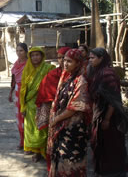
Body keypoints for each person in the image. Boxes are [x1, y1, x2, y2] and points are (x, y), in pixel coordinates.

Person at [47, 49, 91, 177]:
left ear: (78, 63)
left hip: (73, 128)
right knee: (60, 157)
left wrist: (57, 119)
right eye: (64, 60)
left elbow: (75, 106)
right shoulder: (66, 77)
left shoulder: (81, 81)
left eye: (69, 61)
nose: (65, 64)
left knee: (71, 161)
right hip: (62, 126)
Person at [88, 48, 128, 177]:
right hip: (98, 113)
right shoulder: (97, 72)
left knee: (111, 146)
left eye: (92, 58)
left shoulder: (108, 74)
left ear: (101, 58)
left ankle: (115, 172)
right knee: (100, 143)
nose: (90, 60)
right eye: (89, 58)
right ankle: (102, 170)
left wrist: (107, 119)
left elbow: (113, 99)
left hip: (110, 118)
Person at [34, 47, 70, 162]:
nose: (62, 61)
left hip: (70, 112)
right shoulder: (52, 74)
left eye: (65, 58)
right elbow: (44, 91)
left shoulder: (78, 76)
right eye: (59, 58)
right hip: (53, 110)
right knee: (49, 134)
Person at [20, 46, 55, 160]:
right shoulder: (27, 69)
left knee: (42, 129)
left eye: (37, 55)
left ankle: (44, 151)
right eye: (33, 55)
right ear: (30, 57)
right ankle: (36, 151)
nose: (35, 57)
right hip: (30, 104)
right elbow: (23, 89)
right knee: (31, 129)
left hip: (43, 104)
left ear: (42, 56)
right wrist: (23, 106)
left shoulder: (48, 68)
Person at [8, 43, 28, 150]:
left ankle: (28, 142)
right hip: (17, 91)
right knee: (19, 117)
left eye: (21, 51)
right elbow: (14, 80)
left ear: (26, 52)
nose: (19, 53)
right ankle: (22, 140)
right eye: (17, 51)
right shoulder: (16, 64)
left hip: (27, 92)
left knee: (27, 117)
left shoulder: (29, 64)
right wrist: (10, 92)